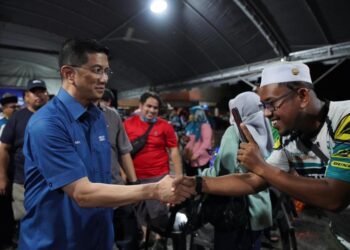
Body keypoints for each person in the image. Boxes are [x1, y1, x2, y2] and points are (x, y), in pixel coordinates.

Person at [18, 38, 194, 250]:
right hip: (56, 241)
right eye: (96, 70)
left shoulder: (98, 117)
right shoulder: (47, 124)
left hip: (97, 236)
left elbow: (103, 176)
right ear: (69, 74)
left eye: (106, 71)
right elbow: (82, 193)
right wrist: (153, 190)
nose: (104, 79)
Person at [191, 61, 350, 215]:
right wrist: (196, 183)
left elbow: (334, 197)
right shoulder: (289, 137)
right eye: (263, 106)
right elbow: (255, 181)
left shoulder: (345, 117)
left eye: (271, 103)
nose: (266, 113)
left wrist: (261, 166)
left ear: (302, 96)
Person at [201, 91, 273, 250]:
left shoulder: (233, 131)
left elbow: (223, 170)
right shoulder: (266, 126)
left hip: (235, 210)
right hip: (260, 208)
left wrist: (202, 176)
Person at [124, 91, 183, 249]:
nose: (151, 110)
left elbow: (174, 150)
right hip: (136, 178)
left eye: (155, 108)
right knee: (140, 213)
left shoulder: (165, 126)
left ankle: (159, 240)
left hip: (159, 177)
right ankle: (145, 239)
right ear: (140, 106)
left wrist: (179, 176)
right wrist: (125, 176)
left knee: (159, 214)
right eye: (148, 106)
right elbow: (122, 152)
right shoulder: (127, 124)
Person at [0, 80, 49, 248]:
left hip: (51, 181)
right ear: (27, 96)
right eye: (34, 92)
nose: (39, 95)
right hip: (23, 181)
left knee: (48, 221)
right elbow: (4, 148)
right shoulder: (17, 118)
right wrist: (2, 176)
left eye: (42, 91)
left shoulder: (55, 115)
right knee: (24, 221)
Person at [98, 88, 140, 250]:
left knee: (128, 240)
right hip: (92, 192)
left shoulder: (112, 115)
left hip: (117, 188)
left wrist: (134, 183)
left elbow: (124, 151)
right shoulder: (70, 117)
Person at [0, 93, 18, 249]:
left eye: (17, 106)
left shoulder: (13, 122)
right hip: (3, 171)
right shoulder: (3, 124)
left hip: (12, 170)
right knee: (5, 208)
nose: (16, 110)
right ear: (4, 108)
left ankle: (10, 236)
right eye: (12, 107)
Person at [183, 105, 213, 176]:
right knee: (190, 182)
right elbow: (190, 140)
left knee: (200, 183)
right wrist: (185, 140)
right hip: (189, 159)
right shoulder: (191, 125)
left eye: (193, 113)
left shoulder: (205, 126)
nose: (191, 115)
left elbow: (206, 143)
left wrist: (196, 155)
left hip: (201, 160)